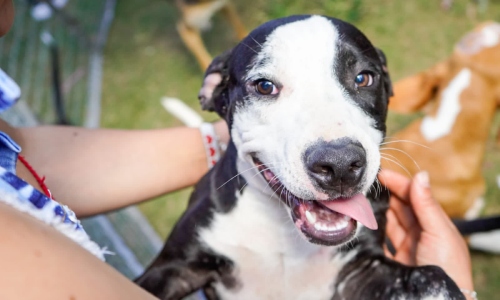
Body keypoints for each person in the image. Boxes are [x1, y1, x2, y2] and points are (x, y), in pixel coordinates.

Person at [0, 1, 475, 299]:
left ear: (385, 87)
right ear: (217, 97)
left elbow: (17, 153)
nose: (337, 153)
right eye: (267, 86)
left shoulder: (369, 202)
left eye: (361, 80)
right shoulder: (217, 212)